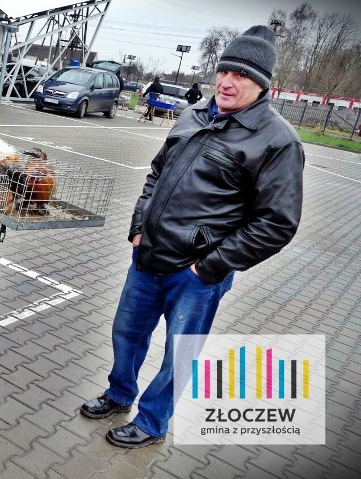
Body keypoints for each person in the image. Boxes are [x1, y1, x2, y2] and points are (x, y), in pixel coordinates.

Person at [80, 25, 304, 448]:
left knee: (177, 355)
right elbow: (156, 173)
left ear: (262, 84)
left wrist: (211, 266)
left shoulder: (277, 141)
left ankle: (151, 423)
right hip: (148, 256)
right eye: (224, 71)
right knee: (126, 334)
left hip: (197, 275)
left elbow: (277, 223)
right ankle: (119, 393)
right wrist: (137, 226)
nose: (227, 81)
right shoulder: (193, 114)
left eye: (241, 75)